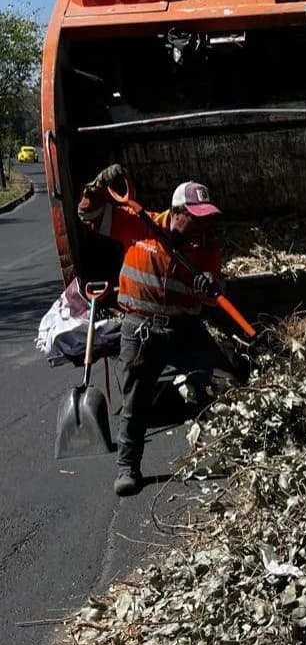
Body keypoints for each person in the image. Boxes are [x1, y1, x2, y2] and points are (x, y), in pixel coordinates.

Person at [78, 165, 229, 496]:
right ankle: (127, 468)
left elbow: (214, 297)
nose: (204, 223)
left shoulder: (207, 249)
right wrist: (96, 188)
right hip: (140, 328)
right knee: (135, 401)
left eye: (207, 216)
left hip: (184, 328)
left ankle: (236, 443)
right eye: (196, 216)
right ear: (176, 213)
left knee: (224, 378)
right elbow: (87, 214)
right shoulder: (137, 224)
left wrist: (209, 286)